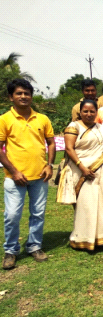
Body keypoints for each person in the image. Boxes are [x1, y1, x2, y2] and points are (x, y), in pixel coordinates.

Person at [0, 79, 55, 270]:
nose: (23, 96)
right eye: (19, 93)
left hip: (40, 176)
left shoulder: (42, 119)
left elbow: (51, 143)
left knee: (38, 214)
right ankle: (11, 250)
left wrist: (49, 165)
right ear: (11, 97)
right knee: (12, 215)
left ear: (32, 96)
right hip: (15, 178)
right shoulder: (4, 119)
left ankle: (34, 246)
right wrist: (14, 171)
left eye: (27, 93)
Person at [57, 99, 103, 250]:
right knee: (86, 204)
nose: (89, 114)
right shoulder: (74, 126)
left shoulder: (101, 128)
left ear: (96, 112)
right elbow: (69, 149)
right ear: (80, 113)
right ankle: (83, 238)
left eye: (92, 111)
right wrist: (82, 168)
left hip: (102, 171)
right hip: (82, 172)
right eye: (86, 111)